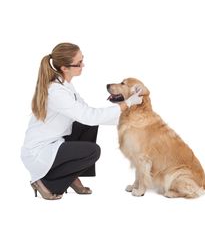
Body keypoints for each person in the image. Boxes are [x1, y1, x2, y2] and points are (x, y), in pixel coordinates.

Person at [21, 42, 143, 200]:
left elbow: (88, 113)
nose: (83, 64)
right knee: (93, 151)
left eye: (82, 60)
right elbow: (89, 115)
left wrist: (132, 117)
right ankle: (43, 180)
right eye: (79, 63)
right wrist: (127, 104)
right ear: (65, 68)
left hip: (55, 142)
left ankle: (71, 176)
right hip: (40, 152)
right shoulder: (57, 92)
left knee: (87, 126)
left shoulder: (66, 86)